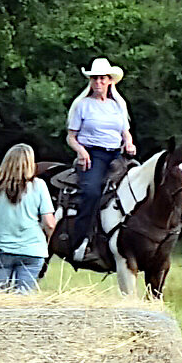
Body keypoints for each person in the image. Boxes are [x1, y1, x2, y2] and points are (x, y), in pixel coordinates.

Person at [65, 57, 136, 262]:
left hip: (116, 153)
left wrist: (129, 144)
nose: (98, 82)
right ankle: (79, 243)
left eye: (102, 78)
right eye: (95, 78)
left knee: (137, 187)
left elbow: (125, 132)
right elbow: (71, 136)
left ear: (110, 81)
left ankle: (132, 241)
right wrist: (81, 151)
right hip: (92, 154)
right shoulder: (82, 105)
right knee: (91, 191)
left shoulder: (118, 106)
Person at [0, 144, 56, 293]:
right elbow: (49, 223)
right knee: (24, 296)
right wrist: (45, 240)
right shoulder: (39, 186)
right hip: (32, 249)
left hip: (0, 248)